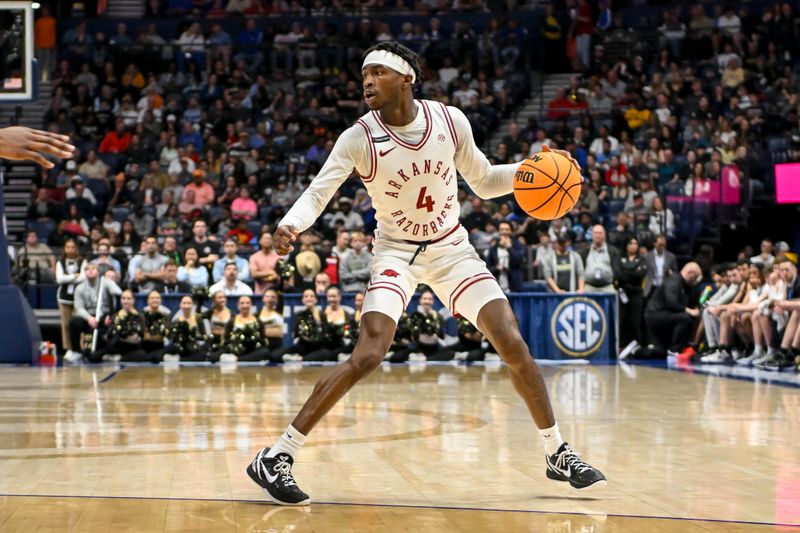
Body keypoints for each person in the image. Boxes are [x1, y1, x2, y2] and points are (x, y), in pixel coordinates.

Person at [250, 42, 605, 506]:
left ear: (406, 78)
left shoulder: (449, 120)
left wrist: (530, 173)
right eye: (364, 76)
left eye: (378, 73)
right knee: (368, 355)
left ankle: (556, 451)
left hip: (451, 249)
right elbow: (320, 192)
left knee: (511, 340)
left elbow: (481, 180)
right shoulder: (358, 137)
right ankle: (277, 455)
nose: (368, 82)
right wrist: (290, 224)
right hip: (395, 252)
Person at [65, 263, 123, 364]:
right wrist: (89, 318)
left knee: (114, 322)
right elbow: (78, 308)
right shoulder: (79, 288)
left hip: (104, 315)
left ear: (98, 271)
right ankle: (76, 351)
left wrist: (110, 283)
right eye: (87, 269)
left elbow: (118, 293)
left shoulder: (105, 282)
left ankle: (111, 352)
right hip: (88, 316)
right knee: (74, 321)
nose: (90, 270)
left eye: (93, 268)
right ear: (84, 272)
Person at [643, 262, 703, 356]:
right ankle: (675, 350)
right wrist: (689, 311)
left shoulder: (685, 285)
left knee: (659, 352)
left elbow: (692, 301)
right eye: (695, 277)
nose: (695, 281)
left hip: (667, 314)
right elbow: (671, 303)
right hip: (655, 314)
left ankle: (639, 351)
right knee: (685, 318)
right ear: (690, 272)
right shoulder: (673, 280)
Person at [617, 236, 647, 358]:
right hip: (622, 292)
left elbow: (640, 275)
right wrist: (632, 272)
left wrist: (626, 273)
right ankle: (621, 346)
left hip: (636, 293)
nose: (634, 246)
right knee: (622, 320)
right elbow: (618, 274)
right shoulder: (620, 258)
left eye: (636, 243)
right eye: (631, 243)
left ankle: (637, 346)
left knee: (636, 320)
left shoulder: (642, 259)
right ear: (626, 245)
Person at [56, 239, 86, 355]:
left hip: (79, 297)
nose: (70, 249)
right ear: (64, 248)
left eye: (72, 247)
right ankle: (68, 348)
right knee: (66, 324)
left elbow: (83, 277)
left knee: (79, 322)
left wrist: (67, 278)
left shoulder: (82, 261)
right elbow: (59, 279)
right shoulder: (61, 262)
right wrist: (74, 276)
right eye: (67, 247)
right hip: (64, 297)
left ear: (76, 248)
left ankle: (81, 347)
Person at [486, 220, 525, 292]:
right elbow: (487, 269)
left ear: (511, 231)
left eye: (507, 229)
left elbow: (518, 261)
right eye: (501, 229)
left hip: (514, 288)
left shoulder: (518, 245)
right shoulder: (493, 249)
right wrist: (496, 268)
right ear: (498, 232)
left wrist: (509, 247)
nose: (504, 232)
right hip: (497, 289)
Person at [579, 225, 620, 294]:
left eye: (600, 233)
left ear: (604, 235)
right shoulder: (585, 251)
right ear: (592, 236)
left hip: (607, 287)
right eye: (595, 233)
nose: (597, 235)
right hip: (589, 287)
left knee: (614, 296)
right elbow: (581, 269)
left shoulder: (612, 251)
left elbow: (616, 270)